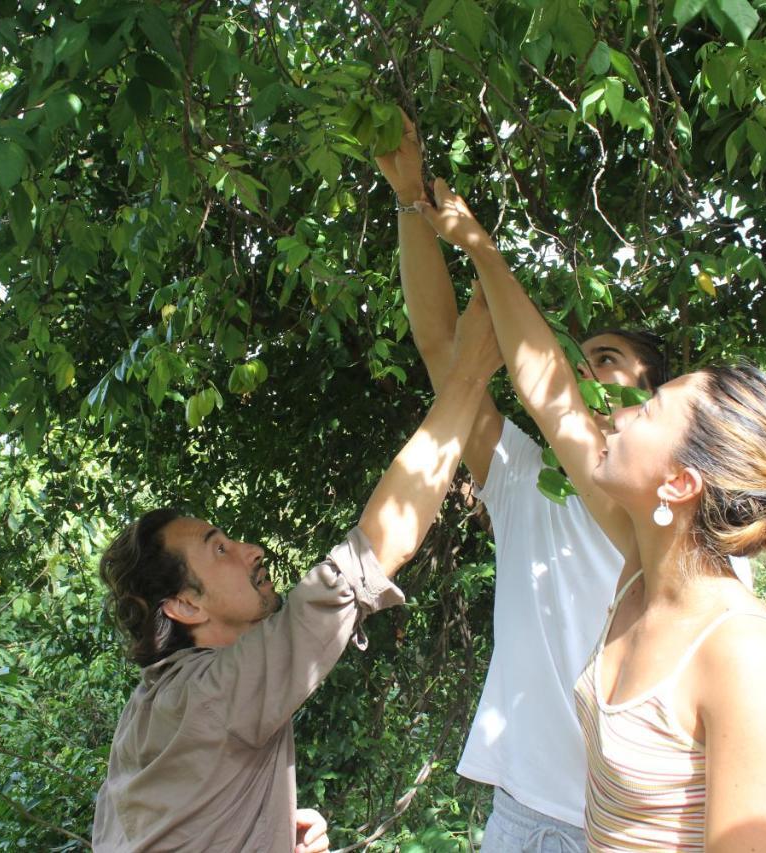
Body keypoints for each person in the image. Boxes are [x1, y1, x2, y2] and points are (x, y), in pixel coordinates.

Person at [414, 177, 766, 850]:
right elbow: (547, 392)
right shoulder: (640, 566)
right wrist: (478, 247)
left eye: (647, 409)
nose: (614, 415)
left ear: (678, 481)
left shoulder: (741, 648)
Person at [376, 114, 743, 851]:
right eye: (577, 355)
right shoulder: (524, 474)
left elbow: (548, 391)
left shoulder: (701, 531)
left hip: (650, 829)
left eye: (605, 357)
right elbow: (443, 348)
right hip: (523, 815)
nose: (581, 367)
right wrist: (411, 202)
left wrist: (480, 248)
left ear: (661, 399)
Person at [91, 290, 503, 852]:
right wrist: (470, 375)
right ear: (185, 606)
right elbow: (373, 554)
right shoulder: (218, 691)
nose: (252, 549)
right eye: (219, 550)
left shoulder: (153, 702)